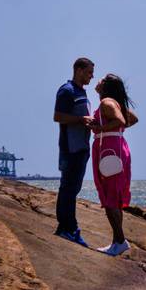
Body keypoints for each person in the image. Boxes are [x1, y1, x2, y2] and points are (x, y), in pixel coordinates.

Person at [91, 73, 138, 256]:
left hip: (109, 149)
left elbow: (120, 121)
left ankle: (120, 241)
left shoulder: (107, 103)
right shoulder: (114, 102)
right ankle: (116, 242)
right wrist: (114, 128)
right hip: (117, 147)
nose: (98, 81)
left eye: (101, 80)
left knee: (110, 195)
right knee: (115, 196)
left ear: (106, 86)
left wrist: (99, 128)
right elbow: (131, 119)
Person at [53, 57, 94, 246]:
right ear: (78, 70)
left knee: (73, 188)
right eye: (88, 72)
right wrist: (81, 120)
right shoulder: (67, 91)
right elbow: (58, 116)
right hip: (70, 147)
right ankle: (66, 228)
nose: (91, 76)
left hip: (82, 147)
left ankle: (70, 227)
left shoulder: (82, 92)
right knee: (68, 188)